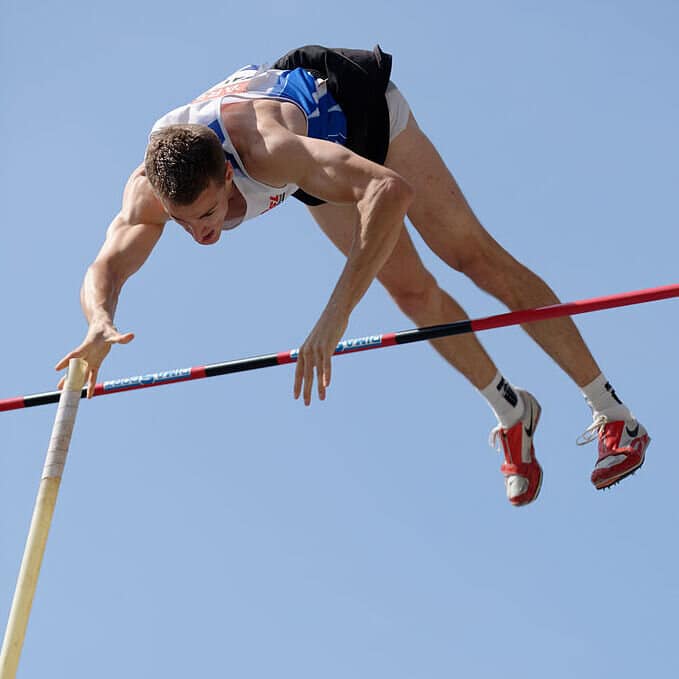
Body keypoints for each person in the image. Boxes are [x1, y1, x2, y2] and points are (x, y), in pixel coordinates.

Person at [56, 45, 650, 506]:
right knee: (411, 292)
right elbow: (107, 262)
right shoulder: (151, 189)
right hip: (320, 171)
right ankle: (513, 413)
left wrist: (334, 317)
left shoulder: (265, 150)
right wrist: (100, 320)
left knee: (470, 256)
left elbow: (388, 190)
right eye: (185, 224)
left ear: (230, 178)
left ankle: (616, 417)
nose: (202, 234)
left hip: (359, 117)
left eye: (208, 214)